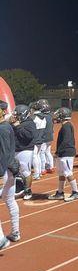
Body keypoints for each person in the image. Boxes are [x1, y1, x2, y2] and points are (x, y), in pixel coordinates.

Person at [48, 107, 78, 201]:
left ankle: (76, 192)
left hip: (66, 153)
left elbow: (66, 141)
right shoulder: (66, 126)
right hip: (64, 153)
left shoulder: (66, 126)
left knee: (68, 173)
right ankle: (60, 192)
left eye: (58, 114)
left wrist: (58, 152)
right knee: (61, 173)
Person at [0, 100, 20, 248]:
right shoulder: (7, 127)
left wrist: (0, 175)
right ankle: (15, 232)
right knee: (10, 200)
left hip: (4, 170)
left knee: (10, 200)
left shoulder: (2, 129)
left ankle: (2, 239)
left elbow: (3, 153)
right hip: (10, 169)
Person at [11, 104, 38, 200]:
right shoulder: (17, 123)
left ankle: (28, 190)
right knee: (15, 171)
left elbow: (28, 136)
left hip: (25, 150)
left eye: (17, 114)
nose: (15, 116)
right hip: (16, 149)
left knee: (25, 171)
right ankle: (18, 189)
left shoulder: (30, 123)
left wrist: (17, 127)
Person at [38, 100, 55, 174]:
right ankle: (51, 166)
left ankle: (42, 168)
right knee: (48, 152)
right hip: (50, 136)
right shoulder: (50, 116)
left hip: (44, 137)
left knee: (42, 152)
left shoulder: (42, 117)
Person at [30, 101, 46, 180]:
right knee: (38, 155)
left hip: (35, 139)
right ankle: (39, 172)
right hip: (41, 138)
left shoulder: (34, 117)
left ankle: (36, 174)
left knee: (34, 156)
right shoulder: (44, 117)